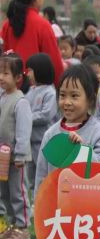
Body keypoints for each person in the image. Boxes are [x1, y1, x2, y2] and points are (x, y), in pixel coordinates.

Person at [34, 64, 100, 239]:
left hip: (90, 218)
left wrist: (83, 150)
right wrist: (42, 210)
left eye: (74, 96)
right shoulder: (51, 133)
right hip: (62, 216)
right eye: (62, 95)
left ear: (90, 99)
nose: (66, 102)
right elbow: (42, 176)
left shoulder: (98, 131)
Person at [0, 53, 32, 239]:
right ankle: (11, 224)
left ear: (18, 77)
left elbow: (23, 130)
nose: (1, 77)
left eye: (5, 73)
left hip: (15, 159)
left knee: (18, 191)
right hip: (2, 158)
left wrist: (20, 154)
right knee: (4, 191)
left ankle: (22, 226)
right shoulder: (2, 96)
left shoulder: (21, 102)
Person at [1, 0, 64, 85]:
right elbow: (54, 63)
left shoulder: (7, 24)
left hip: (10, 87)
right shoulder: (43, 25)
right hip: (35, 89)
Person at [24, 53, 57, 193]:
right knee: (29, 176)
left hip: (42, 142)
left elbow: (46, 115)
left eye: (30, 70)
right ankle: (33, 204)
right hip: (29, 142)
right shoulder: (30, 91)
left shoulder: (50, 92)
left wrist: (25, 118)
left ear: (40, 70)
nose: (28, 74)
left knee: (43, 173)